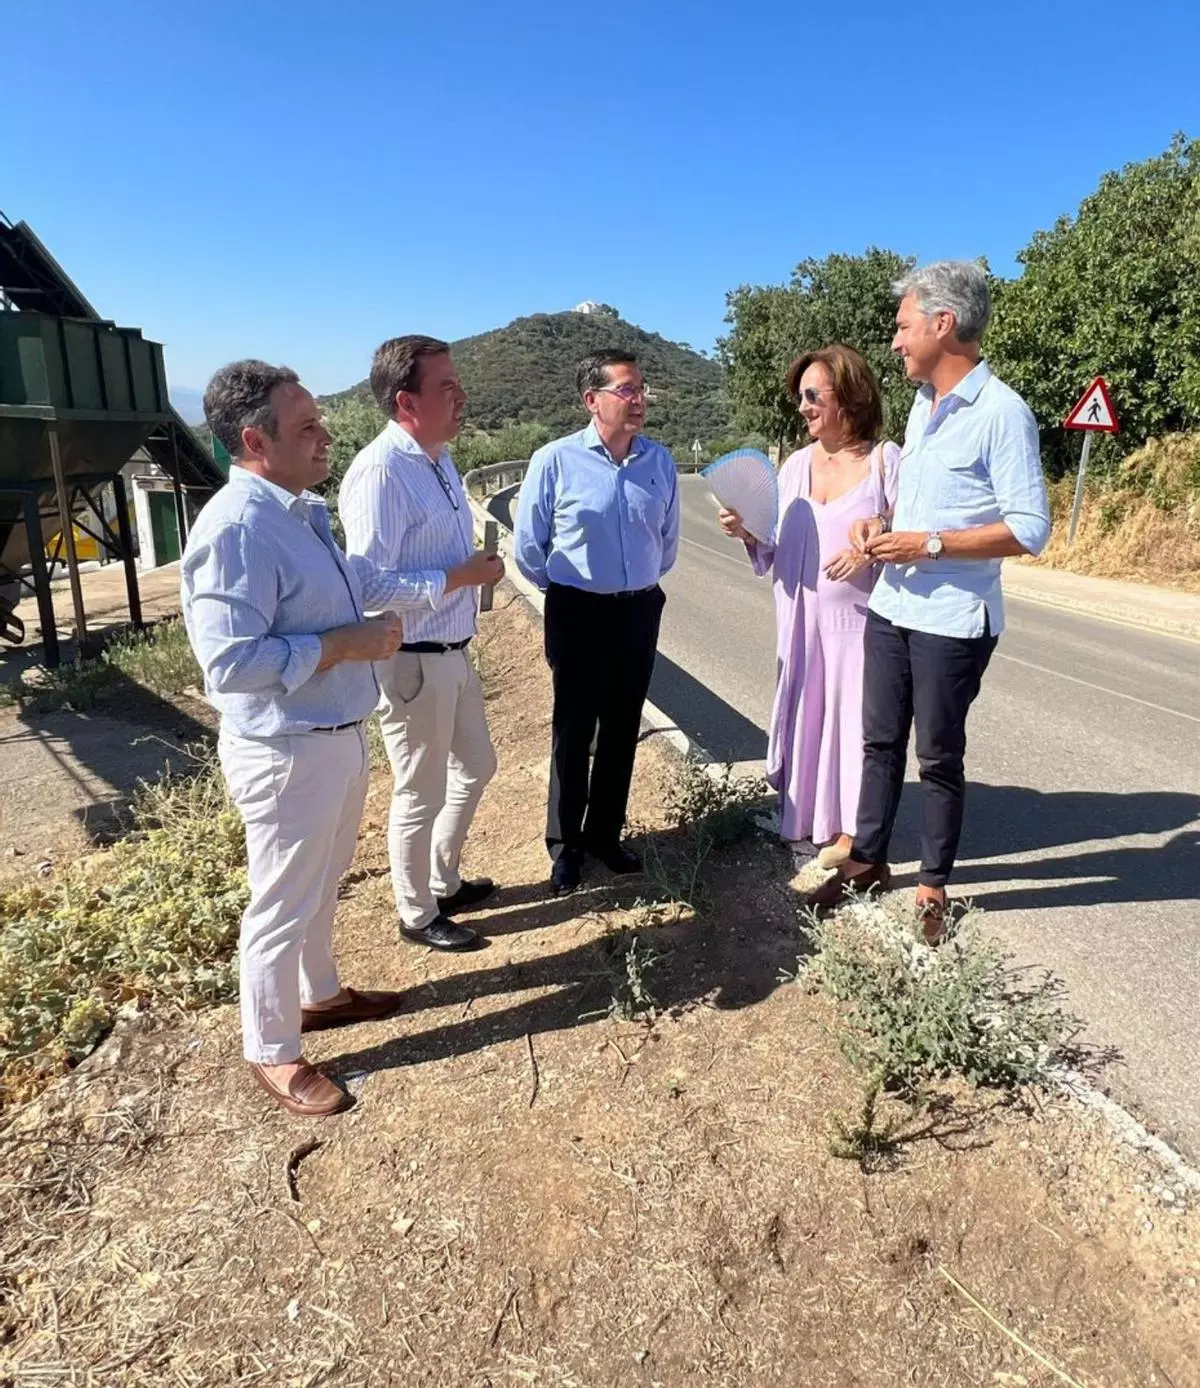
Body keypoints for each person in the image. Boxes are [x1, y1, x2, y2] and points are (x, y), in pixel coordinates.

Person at [182, 360, 445, 1118]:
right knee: (280, 903)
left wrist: (423, 593)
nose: (326, 437)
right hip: (285, 749)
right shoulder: (237, 529)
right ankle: (272, 1051)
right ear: (255, 440)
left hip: (332, 734)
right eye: (307, 428)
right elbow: (230, 663)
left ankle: (320, 994)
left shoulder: (300, 510)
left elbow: (350, 589)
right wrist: (345, 646)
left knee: (321, 881)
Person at [806, 262, 1051, 941]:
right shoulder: (922, 405)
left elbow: (1029, 530)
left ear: (944, 325)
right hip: (893, 607)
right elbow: (916, 507)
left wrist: (930, 546)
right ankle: (866, 861)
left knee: (938, 758)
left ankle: (932, 887)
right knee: (879, 742)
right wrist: (879, 529)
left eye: (903, 325)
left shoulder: (1002, 413)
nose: (894, 341)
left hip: (952, 621)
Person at [339, 336, 504, 952]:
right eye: (447, 388)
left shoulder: (438, 460)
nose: (461, 397)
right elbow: (368, 582)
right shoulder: (382, 471)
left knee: (478, 767)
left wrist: (469, 571)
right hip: (412, 661)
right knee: (419, 788)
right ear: (406, 401)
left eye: (459, 385)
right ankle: (415, 911)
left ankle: (442, 877)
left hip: (452, 651)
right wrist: (457, 577)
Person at [718, 344, 899, 872]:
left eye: (813, 395)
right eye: (800, 397)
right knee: (807, 711)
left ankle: (849, 832)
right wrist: (746, 529)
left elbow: (908, 532)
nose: (802, 407)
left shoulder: (887, 462)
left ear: (849, 396)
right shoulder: (795, 465)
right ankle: (802, 819)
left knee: (852, 723)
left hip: (858, 624)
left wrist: (871, 542)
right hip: (798, 620)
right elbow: (771, 543)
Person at [514, 350, 681, 895]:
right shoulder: (554, 460)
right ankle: (564, 846)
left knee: (622, 727)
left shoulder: (658, 462)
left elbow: (667, 543)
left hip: (638, 608)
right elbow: (528, 548)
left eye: (641, 390)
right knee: (573, 729)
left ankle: (605, 835)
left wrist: (632, 586)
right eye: (627, 391)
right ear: (593, 400)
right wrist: (571, 594)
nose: (639, 401)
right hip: (577, 610)